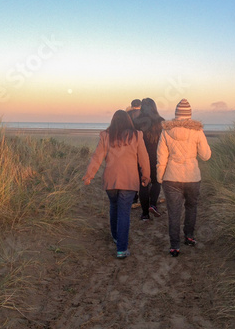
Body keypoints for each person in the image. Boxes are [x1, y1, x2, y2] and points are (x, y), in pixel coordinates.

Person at [83, 110, 150, 258]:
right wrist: (146, 176)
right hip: (129, 180)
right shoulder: (137, 136)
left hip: (111, 181)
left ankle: (116, 237)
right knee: (124, 213)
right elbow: (144, 159)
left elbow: (97, 157)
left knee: (114, 207)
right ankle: (121, 248)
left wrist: (89, 175)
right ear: (128, 121)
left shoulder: (107, 136)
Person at [156, 99, 211, 257]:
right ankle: (189, 236)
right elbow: (206, 155)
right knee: (191, 207)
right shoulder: (197, 131)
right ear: (189, 115)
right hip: (192, 177)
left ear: (176, 115)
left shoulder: (166, 131)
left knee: (174, 212)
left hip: (171, 177)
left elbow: (161, 158)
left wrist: (160, 178)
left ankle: (174, 246)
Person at [133, 98, 165, 221]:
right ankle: (153, 205)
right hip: (157, 156)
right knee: (157, 182)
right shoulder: (161, 122)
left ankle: (145, 214)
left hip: (141, 157)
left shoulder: (137, 122)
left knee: (143, 184)